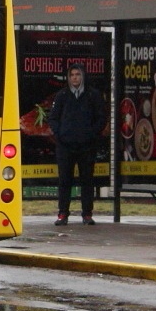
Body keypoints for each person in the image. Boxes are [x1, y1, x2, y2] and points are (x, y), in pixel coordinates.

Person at [48, 64, 106, 225]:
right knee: (64, 180)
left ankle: (87, 214)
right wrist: (60, 134)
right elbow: (52, 118)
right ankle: (62, 214)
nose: (75, 78)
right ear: (68, 77)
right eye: (72, 75)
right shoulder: (62, 95)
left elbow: (101, 118)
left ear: (83, 76)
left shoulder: (93, 95)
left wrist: (91, 134)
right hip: (65, 146)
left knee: (87, 180)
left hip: (87, 146)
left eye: (78, 75)